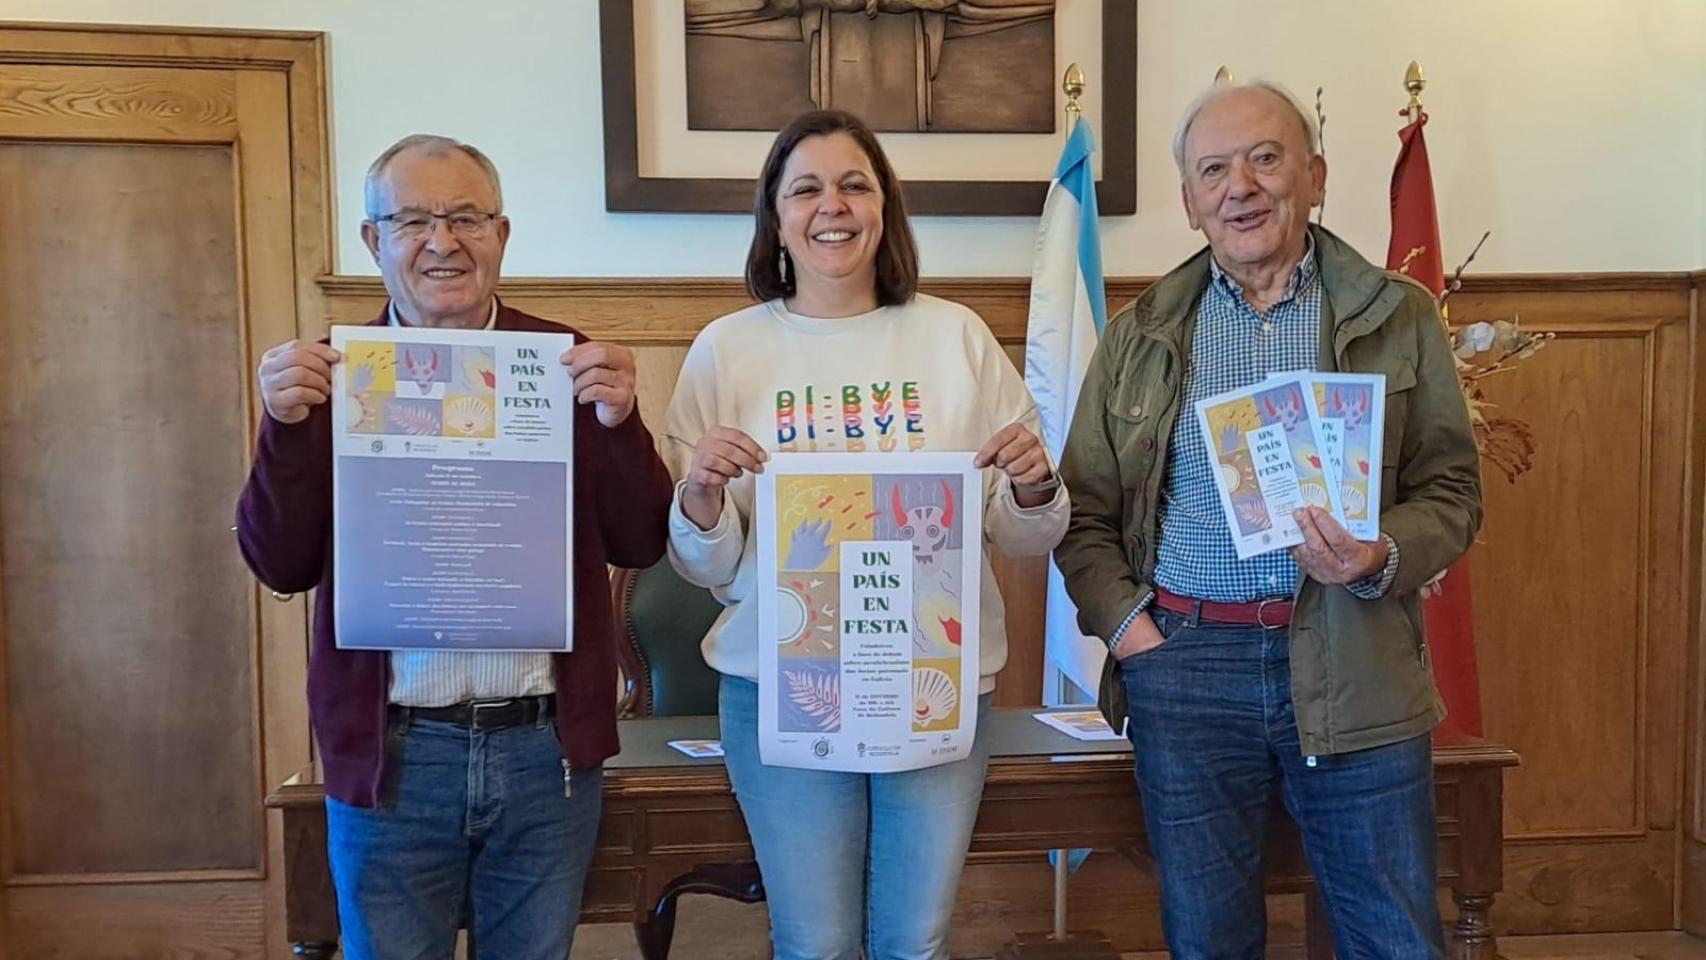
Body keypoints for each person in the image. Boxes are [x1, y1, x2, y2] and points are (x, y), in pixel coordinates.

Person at [1056, 81, 1483, 959]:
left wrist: (1380, 553)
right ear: (1188, 200)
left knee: (1396, 937)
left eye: (1265, 158)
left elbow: (1452, 491)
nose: (1240, 186)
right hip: (1186, 667)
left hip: (1354, 651)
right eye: (1213, 169)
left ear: (1315, 175)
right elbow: (1084, 513)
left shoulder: (1397, 315)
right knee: (1208, 941)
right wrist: (1135, 633)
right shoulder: (1139, 334)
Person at [235, 134, 673, 960]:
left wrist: (620, 427)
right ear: (374, 242)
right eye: (412, 220)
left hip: (546, 753)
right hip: (393, 754)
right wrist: (285, 432)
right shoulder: (328, 382)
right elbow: (279, 564)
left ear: (502, 235)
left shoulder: (566, 366)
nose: (443, 241)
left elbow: (642, 538)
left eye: (466, 216)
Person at [662, 109, 1068, 959]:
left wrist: (1032, 485)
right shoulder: (725, 351)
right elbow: (711, 563)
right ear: (775, 215)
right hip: (779, 683)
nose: (831, 205)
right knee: (812, 944)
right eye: (804, 188)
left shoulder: (955, 336)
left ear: (885, 209)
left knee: (915, 941)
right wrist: (699, 493)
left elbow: (1022, 537)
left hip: (935, 682)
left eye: (855, 184)